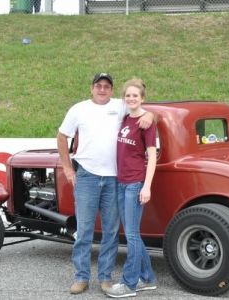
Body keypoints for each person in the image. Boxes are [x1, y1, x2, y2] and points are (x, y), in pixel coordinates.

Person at [57, 73, 154, 295]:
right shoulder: (78, 109)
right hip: (87, 176)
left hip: (114, 179)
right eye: (98, 86)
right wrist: (68, 167)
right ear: (92, 88)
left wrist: (150, 114)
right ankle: (81, 277)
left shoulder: (120, 106)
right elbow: (62, 136)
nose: (102, 90)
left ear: (111, 90)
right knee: (84, 230)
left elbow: (140, 105)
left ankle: (105, 277)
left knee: (111, 231)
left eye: (106, 87)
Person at [105, 78, 157, 298]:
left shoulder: (147, 123)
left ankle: (129, 283)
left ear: (142, 98)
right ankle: (148, 279)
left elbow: (152, 157)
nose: (131, 98)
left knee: (132, 235)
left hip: (136, 183)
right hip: (121, 182)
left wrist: (147, 187)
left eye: (135, 95)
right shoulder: (125, 118)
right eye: (128, 95)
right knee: (132, 233)